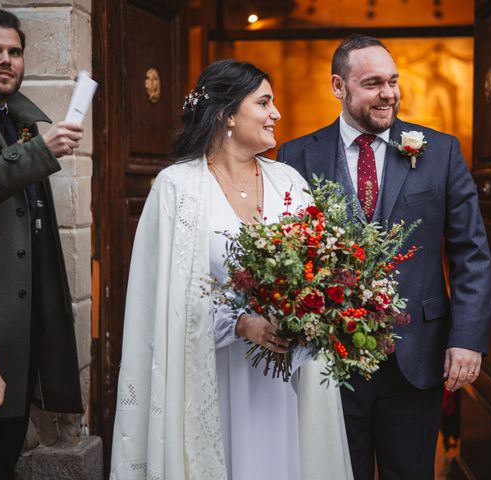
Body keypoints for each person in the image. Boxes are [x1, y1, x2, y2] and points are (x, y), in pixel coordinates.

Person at [110, 60, 353, 480]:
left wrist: (307, 315)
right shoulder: (176, 188)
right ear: (226, 114)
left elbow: (319, 270)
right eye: (263, 102)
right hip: (209, 375)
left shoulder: (289, 182)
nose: (276, 113)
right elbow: (160, 298)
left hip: (282, 378)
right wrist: (240, 324)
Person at [277, 34, 491, 480]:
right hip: (328, 357)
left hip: (415, 356)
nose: (389, 94)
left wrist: (467, 338)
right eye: (373, 83)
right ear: (339, 87)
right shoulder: (296, 155)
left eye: (393, 81)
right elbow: (286, 253)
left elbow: (470, 251)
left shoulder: (441, 151)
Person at [0, 8, 85, 480]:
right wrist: (40, 151)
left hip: (20, 336)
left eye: (14, 52)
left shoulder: (17, 122)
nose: (6, 60)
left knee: (5, 454)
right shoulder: (31, 139)